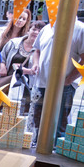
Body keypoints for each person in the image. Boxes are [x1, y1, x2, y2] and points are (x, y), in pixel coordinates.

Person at [30, 17, 84, 145]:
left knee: (59, 126)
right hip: (41, 83)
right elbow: (36, 50)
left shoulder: (80, 28)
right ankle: (36, 151)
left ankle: (55, 157)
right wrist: (35, 64)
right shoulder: (47, 28)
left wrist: (69, 79)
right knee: (37, 123)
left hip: (64, 87)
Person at [1, 21, 46, 116]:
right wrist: (2, 65)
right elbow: (2, 56)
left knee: (19, 115)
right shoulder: (14, 42)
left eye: (39, 31)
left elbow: (42, 68)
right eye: (34, 29)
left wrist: (27, 71)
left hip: (27, 88)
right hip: (8, 83)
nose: (36, 32)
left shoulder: (42, 50)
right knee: (1, 113)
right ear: (28, 30)